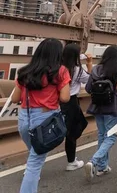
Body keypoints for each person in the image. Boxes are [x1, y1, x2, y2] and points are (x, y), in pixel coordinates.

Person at [11, 38, 71, 193]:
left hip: (24, 118)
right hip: (45, 119)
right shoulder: (60, 71)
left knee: (34, 156)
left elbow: (14, 99)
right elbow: (65, 98)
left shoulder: (25, 72)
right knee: (34, 164)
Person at [84, 46, 117, 181]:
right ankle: (94, 161)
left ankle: (102, 167)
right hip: (111, 107)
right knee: (112, 136)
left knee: (102, 135)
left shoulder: (96, 69)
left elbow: (88, 88)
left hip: (97, 107)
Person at [61, 44, 92, 171]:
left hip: (57, 102)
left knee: (53, 131)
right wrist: (89, 63)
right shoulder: (77, 70)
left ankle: (34, 165)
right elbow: (89, 80)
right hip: (71, 102)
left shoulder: (59, 67)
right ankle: (71, 161)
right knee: (73, 131)